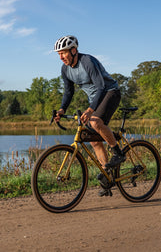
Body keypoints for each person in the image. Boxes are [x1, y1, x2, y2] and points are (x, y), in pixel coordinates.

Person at [53, 35, 124, 196]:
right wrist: (62, 109)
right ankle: (108, 177)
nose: (61, 57)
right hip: (96, 99)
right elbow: (68, 92)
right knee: (93, 140)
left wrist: (90, 110)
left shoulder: (87, 62)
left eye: (63, 53)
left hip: (110, 92)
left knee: (95, 122)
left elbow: (100, 86)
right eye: (58, 54)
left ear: (73, 50)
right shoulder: (65, 69)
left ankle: (118, 153)